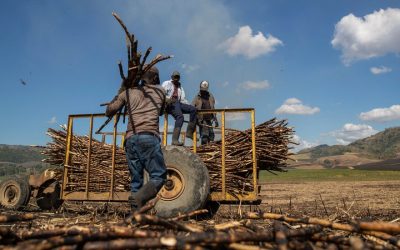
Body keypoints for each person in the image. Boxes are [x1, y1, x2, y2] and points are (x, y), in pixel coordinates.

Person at [105, 66, 167, 210]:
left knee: (136, 181)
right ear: (155, 78)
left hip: (130, 140)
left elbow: (109, 111)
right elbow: (162, 110)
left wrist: (121, 90)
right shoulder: (161, 91)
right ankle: (139, 198)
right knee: (159, 177)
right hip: (148, 137)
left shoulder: (128, 92)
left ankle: (135, 218)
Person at [162, 71, 197, 146]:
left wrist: (189, 106)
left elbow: (183, 99)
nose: (176, 78)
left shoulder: (180, 87)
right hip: (169, 104)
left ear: (179, 78)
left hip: (178, 103)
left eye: (177, 77)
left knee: (193, 109)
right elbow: (161, 94)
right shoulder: (167, 83)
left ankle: (189, 132)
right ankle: (174, 140)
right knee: (180, 117)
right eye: (175, 77)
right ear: (172, 77)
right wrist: (167, 99)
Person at [192, 80, 219, 145]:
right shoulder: (197, 97)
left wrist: (215, 119)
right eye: (202, 89)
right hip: (202, 119)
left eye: (204, 89)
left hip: (209, 119)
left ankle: (209, 148)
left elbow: (213, 108)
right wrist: (195, 119)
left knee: (211, 135)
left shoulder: (210, 96)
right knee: (204, 135)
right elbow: (192, 107)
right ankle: (204, 149)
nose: (203, 91)